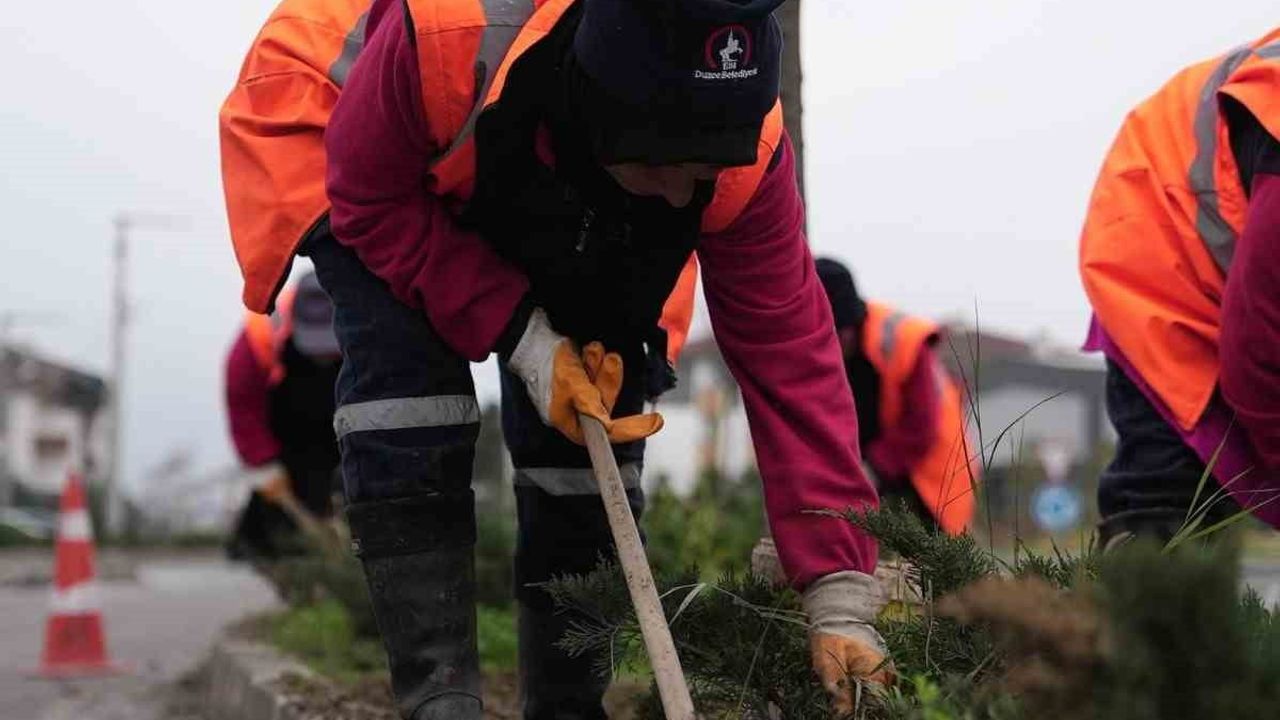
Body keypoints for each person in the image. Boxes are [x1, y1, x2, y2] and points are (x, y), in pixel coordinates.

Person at [223, 0, 889, 716]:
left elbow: (791, 356)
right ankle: (440, 698)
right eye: (661, 162)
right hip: (351, 120)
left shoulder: (741, 148)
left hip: (527, 160)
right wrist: (525, 337)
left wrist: (839, 595)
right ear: (595, 108)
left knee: (592, 414)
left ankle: (568, 707)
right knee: (410, 384)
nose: (680, 192)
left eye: (703, 169)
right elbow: (370, 202)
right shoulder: (452, 33)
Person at [1079, 29, 1280, 547]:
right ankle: (1141, 594)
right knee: (1166, 502)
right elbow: (1256, 347)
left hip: (1239, 244)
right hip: (1159, 245)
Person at [815, 258, 976, 535]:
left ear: (849, 325)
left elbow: (921, 427)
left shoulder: (904, 339)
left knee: (933, 567)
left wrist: (872, 469)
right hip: (883, 478)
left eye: (833, 335)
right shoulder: (834, 353)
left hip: (933, 480)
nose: (829, 345)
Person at [224, 271, 341, 560]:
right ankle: (267, 550)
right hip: (285, 428)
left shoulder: (367, 318)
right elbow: (243, 406)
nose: (322, 356)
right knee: (278, 516)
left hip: (340, 420)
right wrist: (262, 462)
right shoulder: (259, 337)